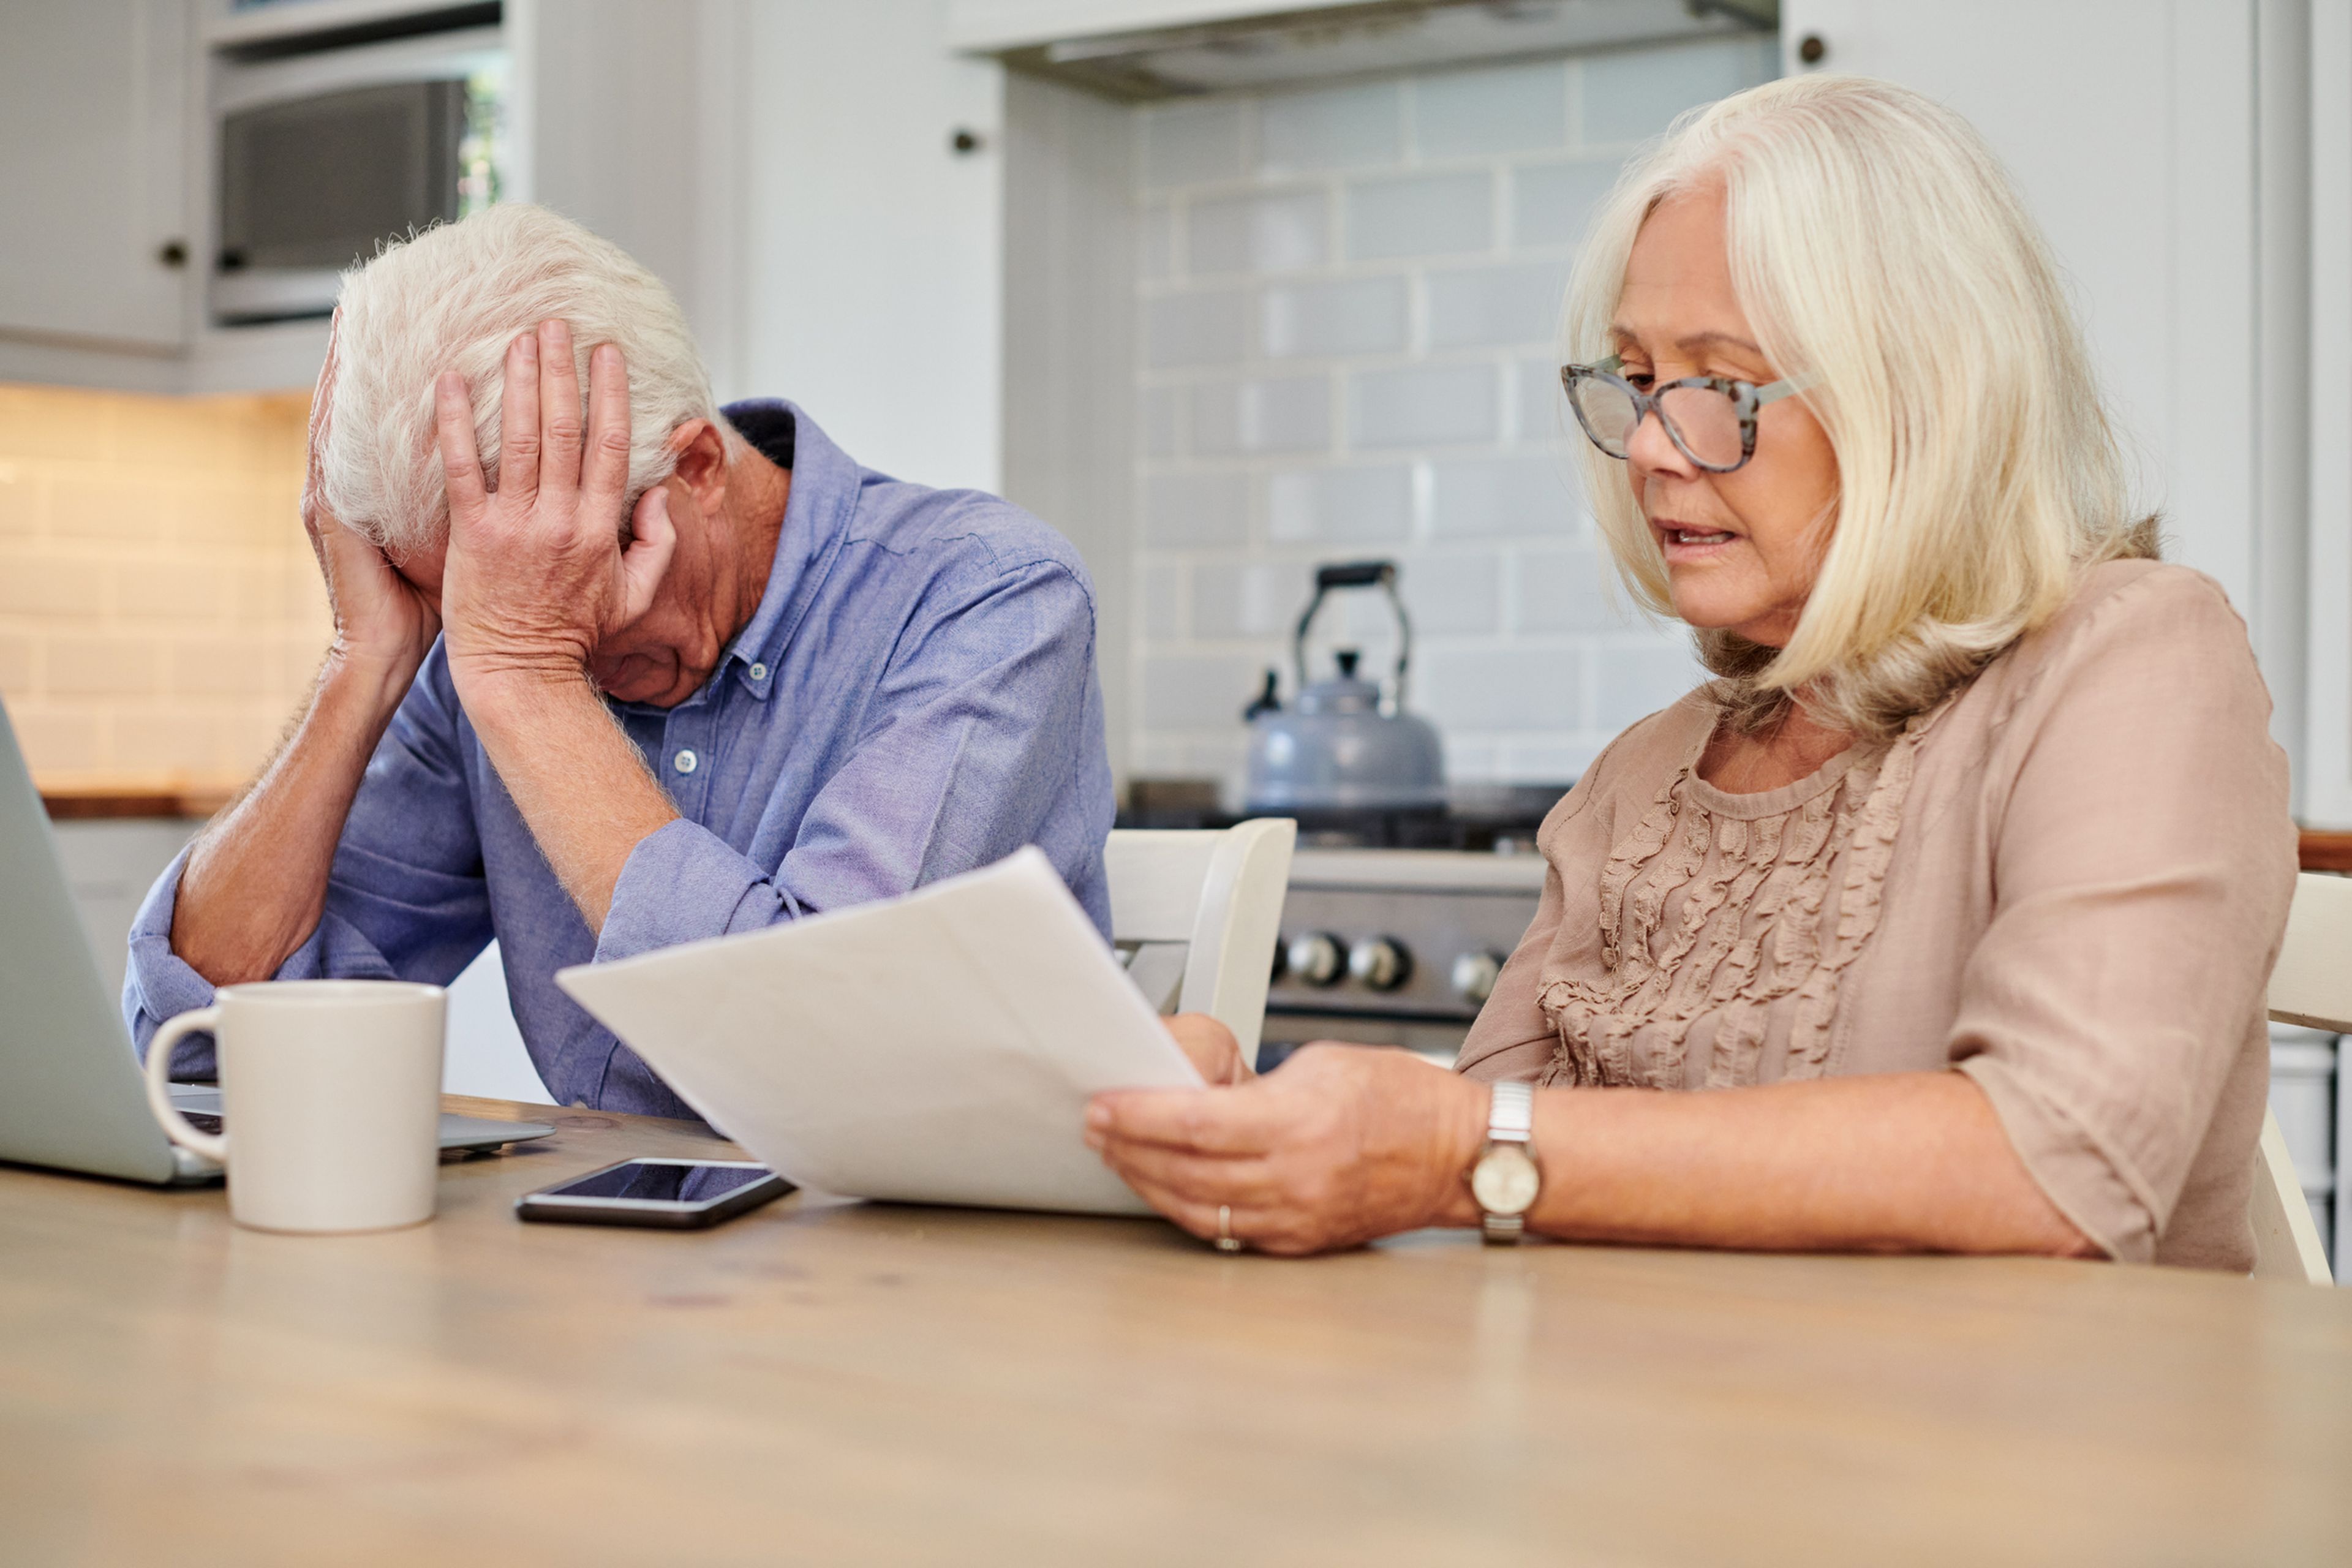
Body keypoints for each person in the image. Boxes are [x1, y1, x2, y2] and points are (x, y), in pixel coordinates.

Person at [1088, 75, 2298, 1271]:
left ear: (1921, 396)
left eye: (1719, 386)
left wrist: (1456, 1151)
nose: (1657, 449)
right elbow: (1491, 1147)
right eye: (1636, 380)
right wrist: (1251, 1128)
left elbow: (2059, 1169)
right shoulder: (1644, 773)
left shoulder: (2132, 657)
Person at [128, 205, 1115, 1119]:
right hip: (602, 1272)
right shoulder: (484, 638)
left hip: (912, 1272)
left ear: (695, 469)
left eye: (567, 572)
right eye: (488, 602)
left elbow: (814, 1065)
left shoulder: (992, 598)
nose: (545, 626)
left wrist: (528, 675)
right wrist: (365, 660)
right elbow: (200, 1048)